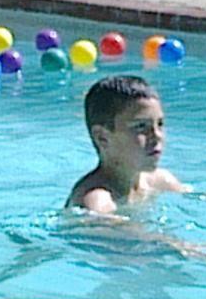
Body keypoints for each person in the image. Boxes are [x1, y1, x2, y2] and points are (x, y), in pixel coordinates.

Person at [66, 75, 187, 213]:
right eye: (141, 126)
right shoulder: (96, 201)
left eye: (160, 124)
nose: (157, 136)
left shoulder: (159, 181)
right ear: (102, 137)